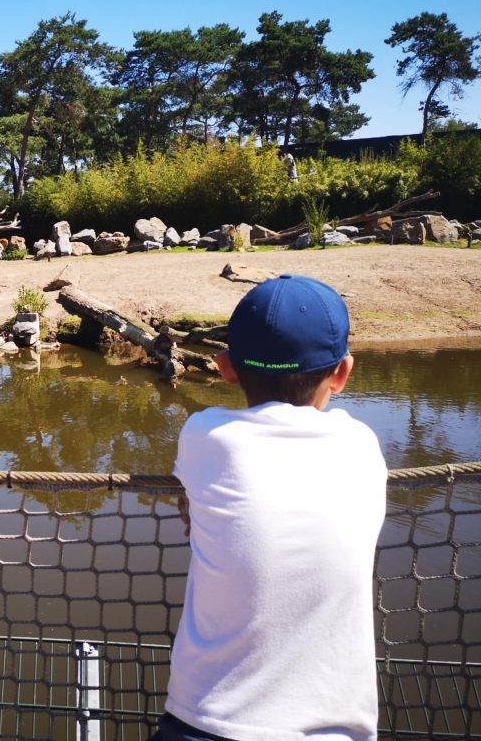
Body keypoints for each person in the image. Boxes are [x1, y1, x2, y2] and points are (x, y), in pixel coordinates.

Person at [155, 274, 387, 741]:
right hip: (333, 730)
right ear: (342, 373)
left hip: (204, 722)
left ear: (224, 367)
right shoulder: (362, 445)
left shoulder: (206, 434)